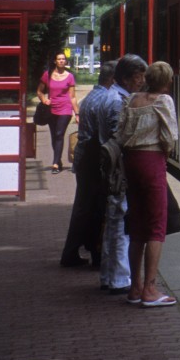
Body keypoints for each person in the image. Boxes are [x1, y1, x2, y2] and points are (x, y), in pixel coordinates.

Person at [117, 60, 179, 307]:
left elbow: (120, 132)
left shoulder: (130, 100)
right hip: (152, 162)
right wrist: (164, 150)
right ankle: (150, 290)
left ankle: (135, 287)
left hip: (130, 163)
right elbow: (170, 136)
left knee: (137, 224)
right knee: (156, 226)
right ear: (166, 81)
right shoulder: (163, 101)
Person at [96, 54, 146, 296]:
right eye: (139, 77)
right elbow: (121, 138)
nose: (142, 81)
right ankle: (119, 278)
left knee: (114, 222)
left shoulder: (111, 96)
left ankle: (109, 275)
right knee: (121, 224)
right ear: (127, 78)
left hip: (112, 170)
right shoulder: (118, 101)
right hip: (120, 171)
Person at [59, 60, 115, 268]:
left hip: (84, 159)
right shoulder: (105, 99)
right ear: (113, 79)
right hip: (92, 161)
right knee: (92, 208)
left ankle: (73, 252)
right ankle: (91, 252)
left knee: (83, 207)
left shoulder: (92, 96)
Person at [37, 51, 79, 174]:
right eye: (59, 59)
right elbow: (39, 91)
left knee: (59, 134)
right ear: (55, 61)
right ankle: (58, 160)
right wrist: (44, 100)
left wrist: (77, 114)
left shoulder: (70, 76)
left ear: (65, 62)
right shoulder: (47, 75)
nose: (61, 61)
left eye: (63, 59)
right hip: (51, 109)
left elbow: (73, 97)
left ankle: (55, 163)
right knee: (54, 136)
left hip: (65, 109)